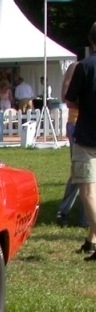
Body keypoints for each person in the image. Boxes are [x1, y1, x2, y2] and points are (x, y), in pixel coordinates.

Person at [63, 22, 96, 258]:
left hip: (87, 136)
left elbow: (71, 100)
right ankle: (91, 240)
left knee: (87, 191)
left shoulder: (84, 67)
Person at [57, 61, 89, 230]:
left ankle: (83, 216)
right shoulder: (77, 66)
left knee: (87, 170)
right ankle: (65, 211)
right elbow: (66, 96)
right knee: (80, 169)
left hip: (89, 123)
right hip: (78, 123)